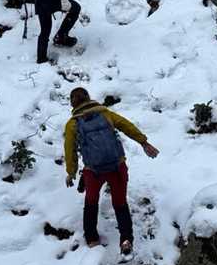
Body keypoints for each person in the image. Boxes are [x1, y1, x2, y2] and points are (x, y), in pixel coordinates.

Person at [64, 87, 158, 254]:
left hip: (93, 171)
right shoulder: (105, 114)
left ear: (72, 103)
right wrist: (144, 142)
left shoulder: (72, 124)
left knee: (91, 203)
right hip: (117, 167)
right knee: (120, 203)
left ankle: (92, 239)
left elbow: (70, 150)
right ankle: (126, 240)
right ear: (89, 98)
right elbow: (126, 126)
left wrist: (71, 173)